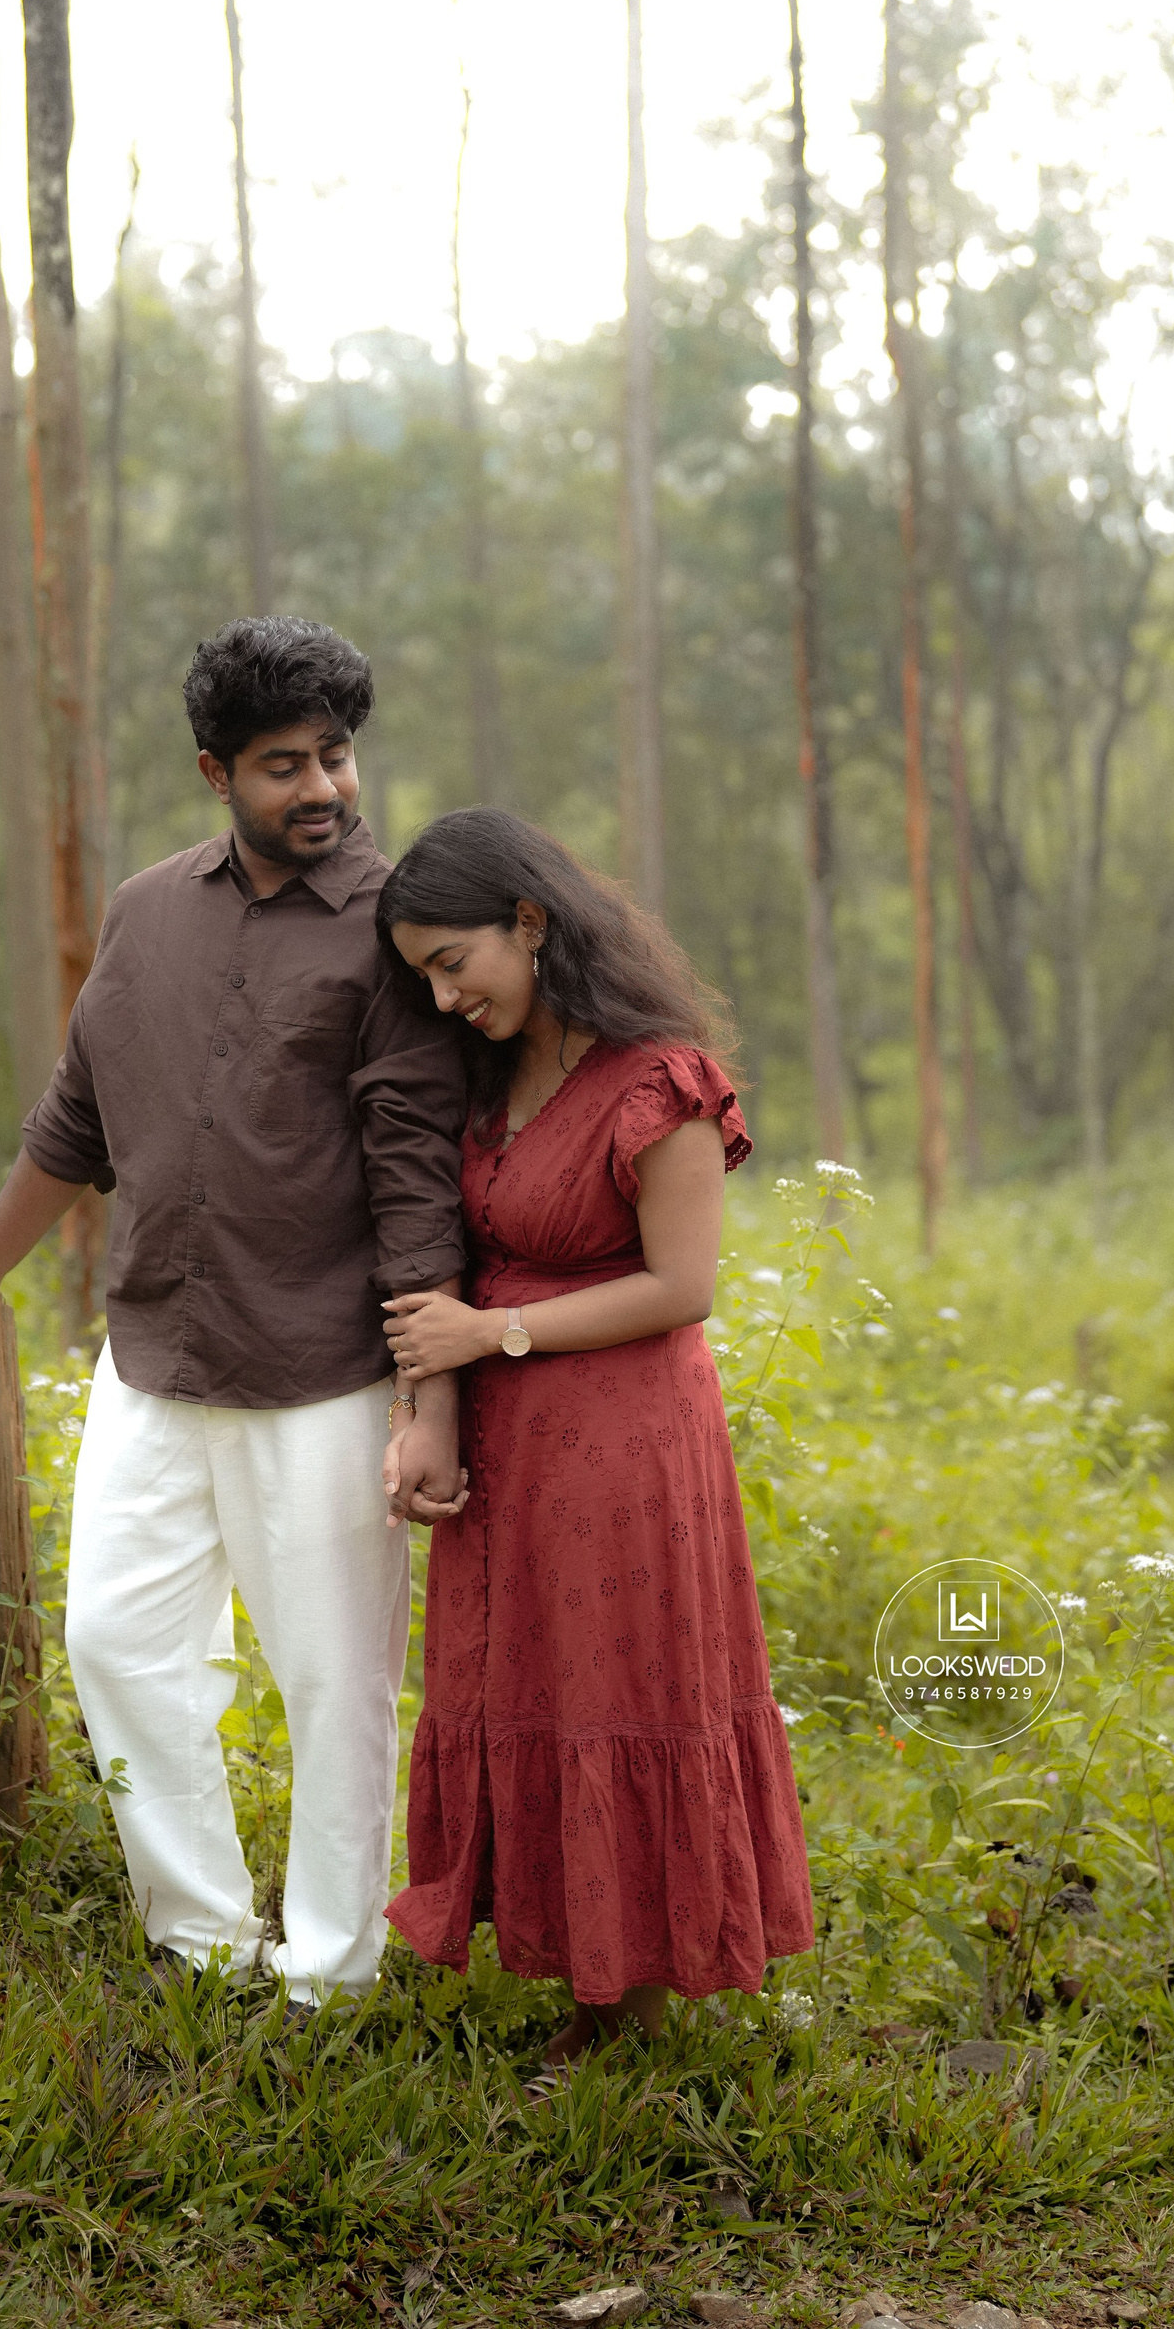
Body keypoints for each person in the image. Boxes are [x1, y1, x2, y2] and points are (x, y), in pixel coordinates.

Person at [0, 616, 471, 2007]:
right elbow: (74, 1124)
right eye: (284, 764)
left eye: (336, 755)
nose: (323, 787)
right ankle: (205, 1945)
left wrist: (428, 1403)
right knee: (116, 1644)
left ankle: (330, 1974)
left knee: (333, 1683)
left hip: (323, 1372)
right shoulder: (147, 912)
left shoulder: (393, 932)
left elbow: (416, 1185)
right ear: (216, 773)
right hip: (151, 1358)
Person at [374, 806, 814, 2083]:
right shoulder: (492, 1078)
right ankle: (579, 1969)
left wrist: (491, 1337)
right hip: (517, 1448)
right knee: (534, 1690)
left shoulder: (660, 1081)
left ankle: (631, 2004)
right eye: (424, 978)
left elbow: (683, 1287)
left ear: (530, 921)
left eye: (454, 963)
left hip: (625, 1443)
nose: (444, 998)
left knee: (620, 1692)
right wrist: (436, 1394)